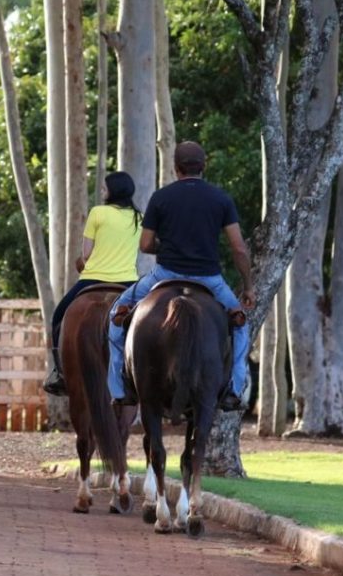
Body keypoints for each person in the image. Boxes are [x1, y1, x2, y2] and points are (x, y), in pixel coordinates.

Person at [106, 141, 256, 411]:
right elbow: (238, 248)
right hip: (209, 279)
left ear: (176, 168)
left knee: (117, 312)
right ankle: (234, 388)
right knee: (241, 325)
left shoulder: (161, 198)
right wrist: (248, 287)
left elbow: (145, 245)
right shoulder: (221, 199)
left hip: (165, 274)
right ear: (204, 166)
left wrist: (164, 246)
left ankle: (119, 387)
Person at [42, 171, 142, 395]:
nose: (102, 193)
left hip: (92, 278)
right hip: (127, 284)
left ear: (113, 191)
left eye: (105, 189)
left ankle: (60, 372)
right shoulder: (139, 217)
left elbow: (86, 254)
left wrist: (83, 262)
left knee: (58, 317)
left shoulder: (98, 213)